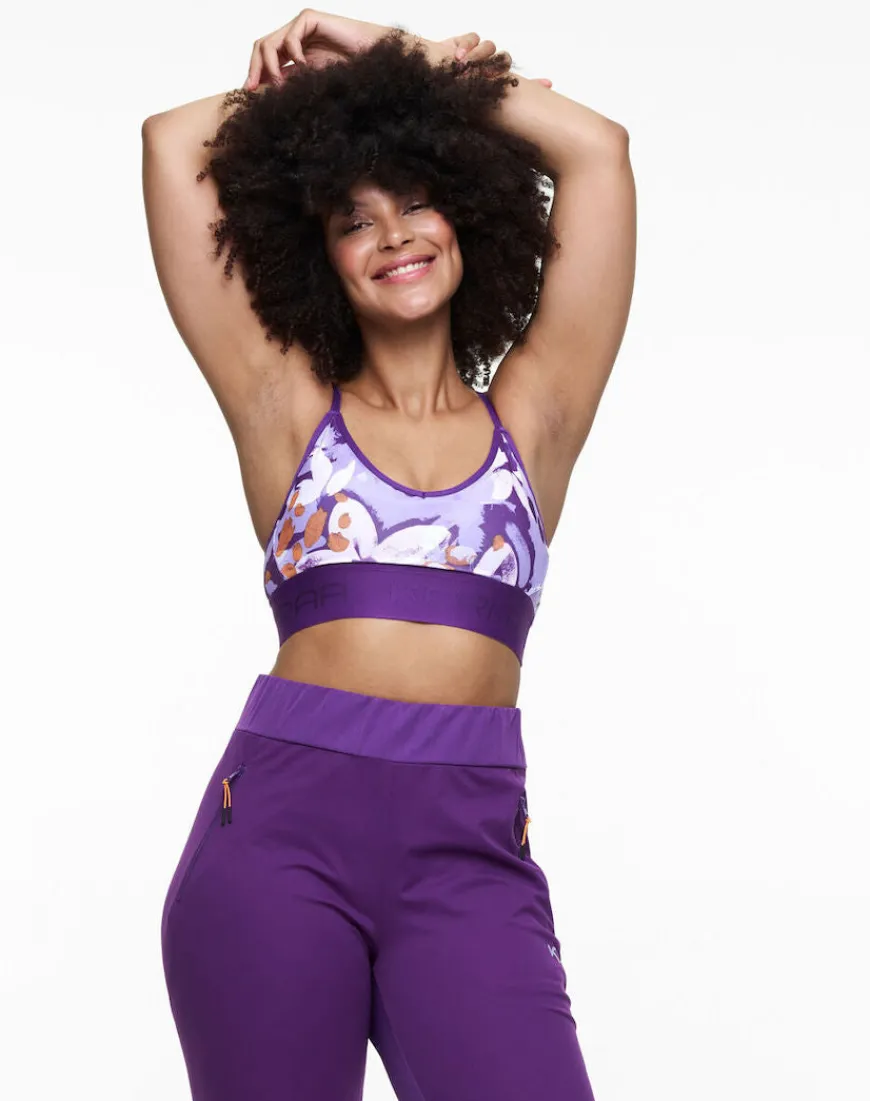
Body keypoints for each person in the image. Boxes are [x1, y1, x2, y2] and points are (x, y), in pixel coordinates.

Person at [142, 10, 636, 1100]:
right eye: (353, 220)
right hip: (277, 841)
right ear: (320, 256)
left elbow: (598, 151)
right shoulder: (286, 413)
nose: (394, 237)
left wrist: (401, 65)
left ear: (466, 216)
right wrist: (309, 97)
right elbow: (173, 144)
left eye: (416, 202)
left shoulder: (534, 422)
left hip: (468, 850)